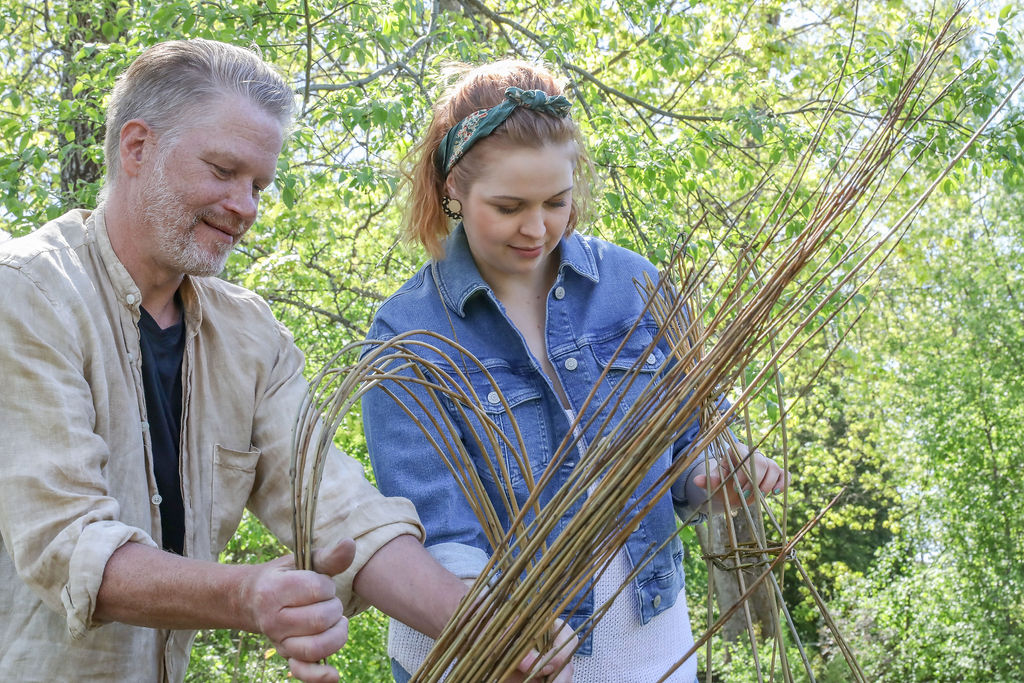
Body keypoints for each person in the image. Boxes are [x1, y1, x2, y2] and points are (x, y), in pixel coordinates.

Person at [0, 40, 572, 683]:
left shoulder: (246, 334)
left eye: (258, 185)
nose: (245, 207)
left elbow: (340, 510)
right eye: (222, 171)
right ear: (137, 148)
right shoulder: (29, 294)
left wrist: (483, 630)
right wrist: (247, 596)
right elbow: (66, 543)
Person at [361, 60, 790, 682]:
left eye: (556, 203)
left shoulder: (635, 286)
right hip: (490, 656)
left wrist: (718, 469)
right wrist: (498, 632)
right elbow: (436, 531)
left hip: (650, 646)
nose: (537, 229)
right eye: (508, 206)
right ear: (455, 186)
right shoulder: (409, 333)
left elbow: (687, 448)